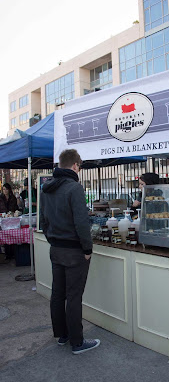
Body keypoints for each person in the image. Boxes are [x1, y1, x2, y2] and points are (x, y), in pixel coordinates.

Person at [40, 149, 100, 355]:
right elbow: (82, 223)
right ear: (75, 165)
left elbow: (43, 222)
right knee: (74, 296)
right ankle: (77, 342)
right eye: (80, 166)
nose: (80, 170)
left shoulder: (46, 188)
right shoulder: (74, 188)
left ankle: (62, 335)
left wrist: (53, 241)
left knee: (58, 294)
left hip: (56, 249)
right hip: (74, 251)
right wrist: (87, 248)